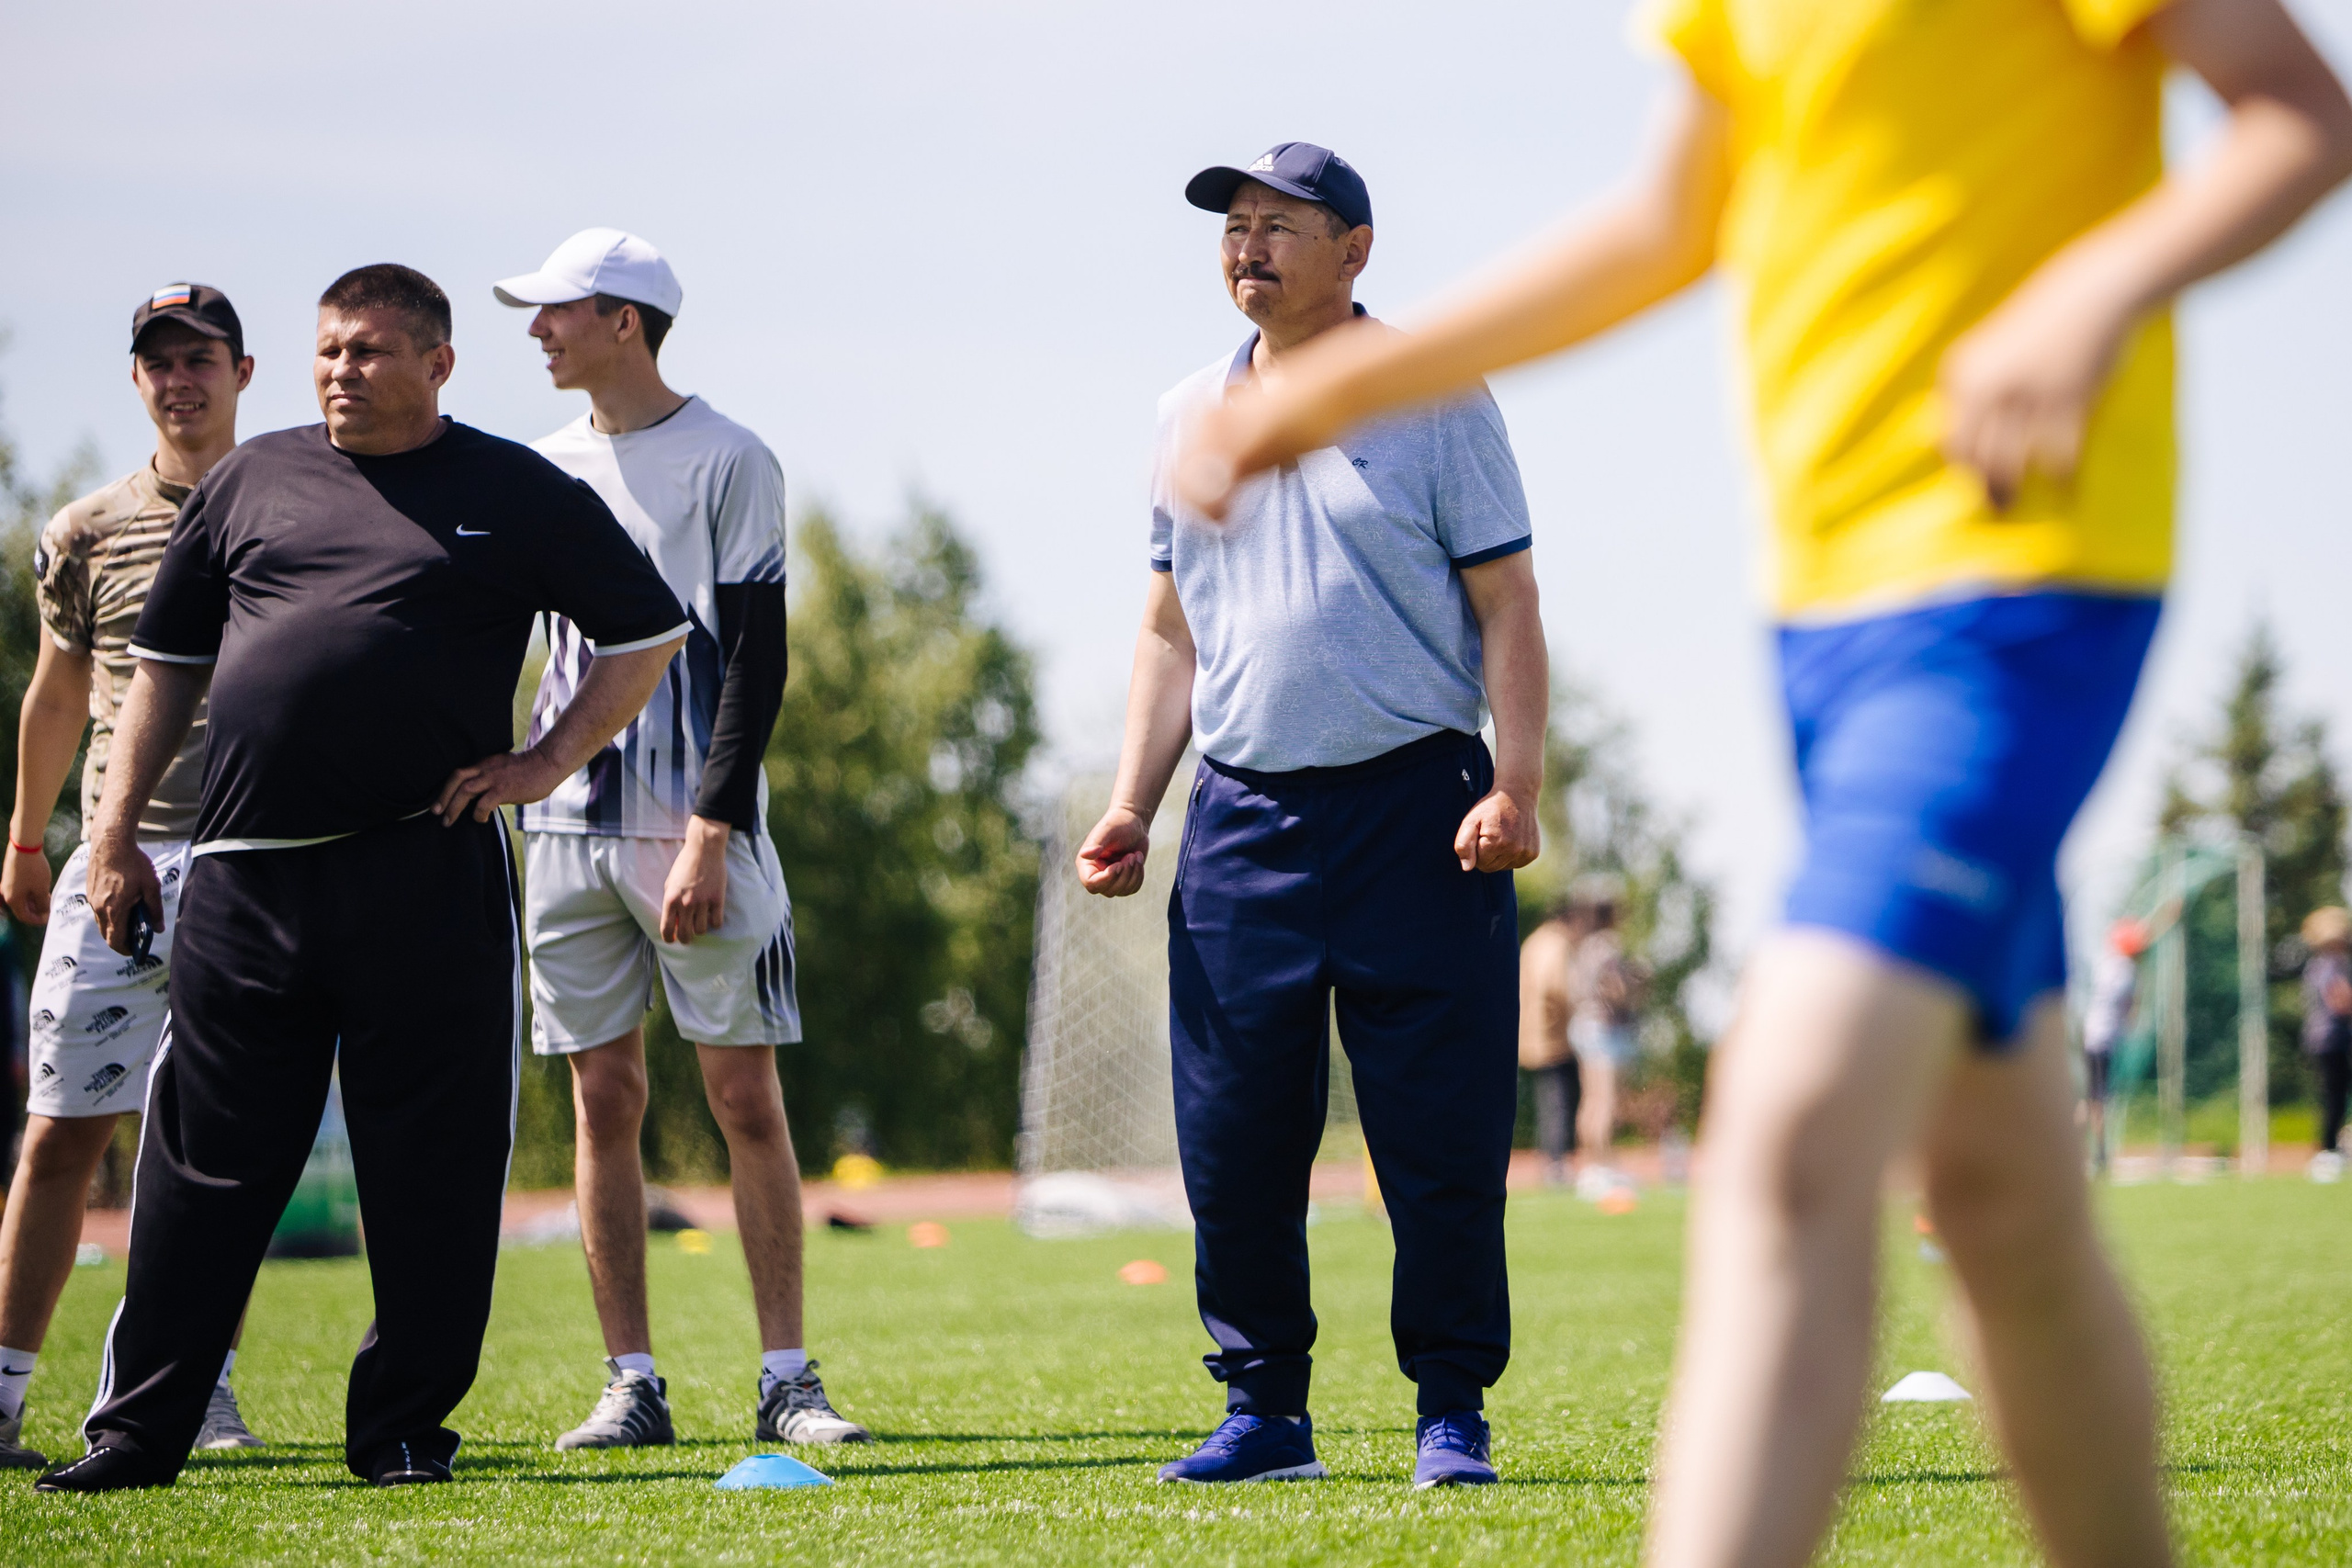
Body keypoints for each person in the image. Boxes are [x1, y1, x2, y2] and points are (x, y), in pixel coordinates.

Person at [1170, 3, 2352, 1562]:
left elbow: (2298, 113)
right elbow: (1672, 221)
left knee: (1791, 1128)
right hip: (1824, 621)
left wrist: (2088, 295)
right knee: (2005, 1213)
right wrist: (1329, 395)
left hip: (2014, 576)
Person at [35, 264, 691, 1494]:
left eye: (373, 352)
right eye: (331, 350)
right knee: (199, 1169)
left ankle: (398, 1430)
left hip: (424, 869)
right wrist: (112, 831)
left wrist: (547, 757)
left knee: (431, 1169)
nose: (344, 370)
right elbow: (165, 668)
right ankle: (136, 1433)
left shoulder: (512, 489)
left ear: (439, 365)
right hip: (244, 880)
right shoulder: (251, 479)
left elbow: (645, 631)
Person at [1077, 142, 1548, 1490]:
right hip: (1241, 823)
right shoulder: (1187, 409)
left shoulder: (1435, 393)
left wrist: (1515, 785)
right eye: (1233, 226)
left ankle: (1449, 1408)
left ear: (1356, 250)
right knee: (1232, 1137)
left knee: (1439, 1136)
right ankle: (1264, 1409)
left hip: (1422, 810)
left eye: (1280, 224)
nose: (1248, 245)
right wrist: (1131, 800)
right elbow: (1168, 629)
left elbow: (1508, 602)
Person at [490, 229, 865, 1448]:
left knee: (743, 1093)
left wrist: (710, 826)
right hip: (563, 829)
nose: (538, 330)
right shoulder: (533, 467)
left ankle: (787, 1377)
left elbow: (759, 653)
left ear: (628, 323)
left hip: (694, 829)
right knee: (602, 1095)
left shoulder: (731, 456)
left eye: (559, 311)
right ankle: (631, 1382)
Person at [0, 285, 267, 1468]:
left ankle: (192, 1386)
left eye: (200, 358)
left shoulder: (295, 505)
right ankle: (3, 1392)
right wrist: (24, 837)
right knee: (61, 1133)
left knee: (209, 1144)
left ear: (244, 372)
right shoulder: (86, 528)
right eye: (159, 362)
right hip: (115, 860)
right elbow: (60, 692)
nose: (180, 380)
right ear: (136, 380)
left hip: (254, 863)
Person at [1565, 875, 1646, 1199]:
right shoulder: (1609, 945)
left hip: (1583, 1025)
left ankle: (1590, 1167)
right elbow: (1617, 990)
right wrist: (1636, 986)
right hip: (1604, 1029)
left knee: (1589, 1100)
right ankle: (1604, 1168)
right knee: (1605, 1100)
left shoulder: (1583, 946)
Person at [1519, 899, 1589, 1185]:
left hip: (1530, 1033)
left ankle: (1551, 1160)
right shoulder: (1556, 944)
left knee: (1549, 1101)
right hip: (1551, 1036)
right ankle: (1556, 1164)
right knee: (1559, 1101)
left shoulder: (1534, 941)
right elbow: (1556, 985)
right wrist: (1577, 1010)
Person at [2080, 919, 2147, 1172]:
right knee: (2098, 1101)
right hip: (2104, 1040)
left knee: (2091, 1099)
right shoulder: (2127, 972)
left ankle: (2092, 1150)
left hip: (2092, 1036)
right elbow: (2130, 1011)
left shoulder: (2106, 965)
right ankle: (2099, 1153)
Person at [2300, 906, 2351, 1181]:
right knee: (2335, 1098)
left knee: (2334, 1097)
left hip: (2324, 1040)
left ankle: (2331, 1148)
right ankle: (2329, 1150)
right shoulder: (2332, 964)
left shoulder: (2318, 964)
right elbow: (2340, 1001)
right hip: (2332, 1040)